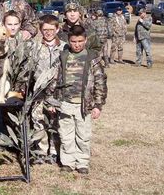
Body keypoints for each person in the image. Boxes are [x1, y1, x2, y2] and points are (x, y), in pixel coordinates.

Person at [57, 25, 107, 174]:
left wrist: (98, 105)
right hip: (65, 103)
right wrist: (53, 101)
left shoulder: (92, 58)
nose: (77, 44)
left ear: (85, 40)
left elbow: (100, 82)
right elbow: (55, 80)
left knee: (83, 136)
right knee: (65, 135)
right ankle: (67, 162)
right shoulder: (63, 57)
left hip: (84, 105)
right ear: (68, 41)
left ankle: (82, 163)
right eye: (73, 41)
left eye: (80, 41)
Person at [31, 14, 67, 165]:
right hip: (39, 93)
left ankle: (53, 151)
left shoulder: (65, 47)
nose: (48, 32)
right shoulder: (35, 47)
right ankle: (40, 150)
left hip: (57, 93)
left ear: (57, 29)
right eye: (45, 30)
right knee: (38, 121)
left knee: (55, 122)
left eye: (52, 29)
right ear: (40, 30)